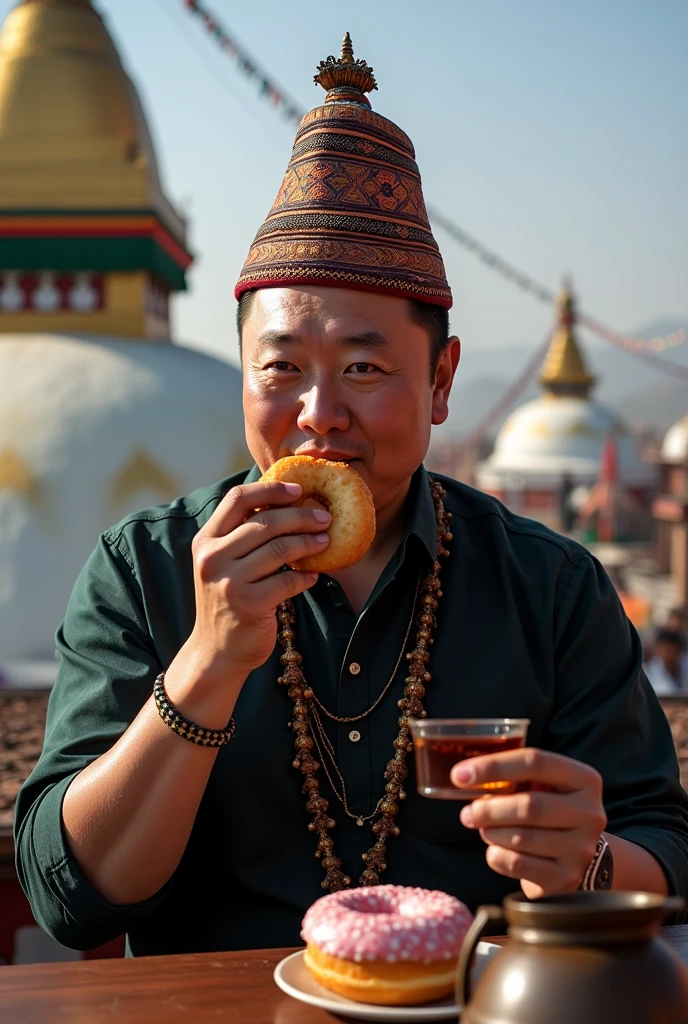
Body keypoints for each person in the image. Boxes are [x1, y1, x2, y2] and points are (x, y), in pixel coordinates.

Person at [15, 36, 688, 956]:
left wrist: (592, 861)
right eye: (281, 368)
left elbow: (668, 848)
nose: (318, 417)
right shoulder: (147, 569)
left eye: (365, 368)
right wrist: (209, 661)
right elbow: (75, 900)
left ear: (442, 380)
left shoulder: (550, 587)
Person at [644, 629, 688, 696]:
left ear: (679, 650)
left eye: (671, 650)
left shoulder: (685, 665)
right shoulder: (649, 671)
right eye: (664, 650)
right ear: (657, 650)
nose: (667, 654)